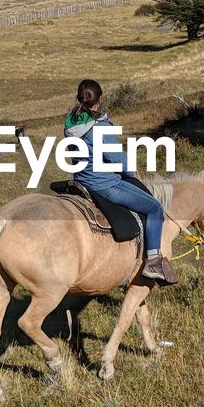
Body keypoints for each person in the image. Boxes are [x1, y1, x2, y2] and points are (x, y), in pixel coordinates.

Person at [64, 78, 177, 284]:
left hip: (81, 179)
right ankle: (153, 260)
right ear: (99, 100)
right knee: (154, 208)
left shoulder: (72, 121)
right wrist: (129, 170)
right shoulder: (99, 127)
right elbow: (118, 161)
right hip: (104, 184)